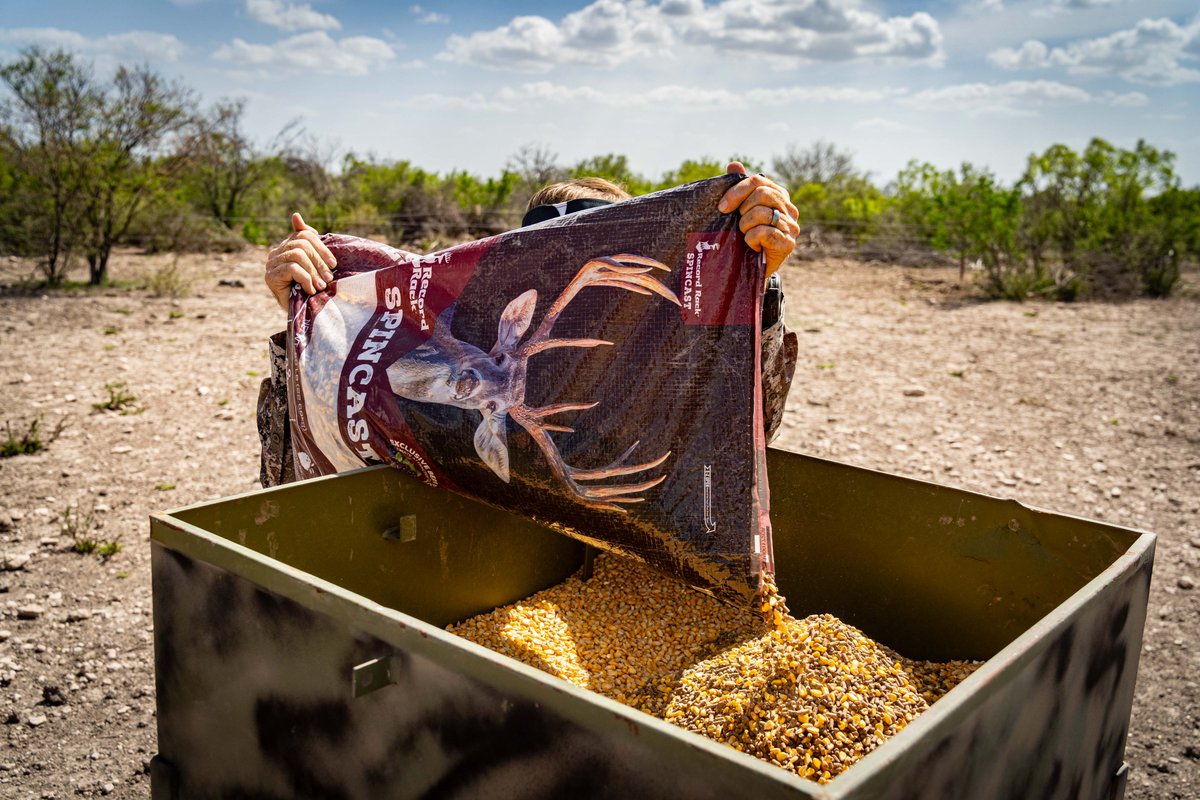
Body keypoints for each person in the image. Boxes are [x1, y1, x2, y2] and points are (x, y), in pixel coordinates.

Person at [258, 162, 799, 487]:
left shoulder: (661, 368)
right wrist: (309, 317)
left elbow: (739, 445)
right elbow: (310, 471)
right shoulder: (451, 402)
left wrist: (755, 285)